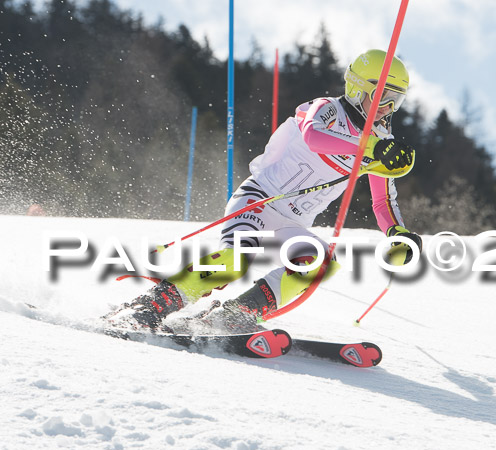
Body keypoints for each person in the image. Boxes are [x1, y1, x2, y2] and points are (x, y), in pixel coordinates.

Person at [106, 49, 422, 332]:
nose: (388, 107)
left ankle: (236, 314)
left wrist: (398, 232)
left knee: (322, 264)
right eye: (383, 96)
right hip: (259, 200)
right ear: (358, 88)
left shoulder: (382, 141)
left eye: (397, 100)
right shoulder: (327, 109)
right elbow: (313, 136)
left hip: (292, 224)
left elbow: (383, 200)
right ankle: (150, 306)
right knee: (234, 261)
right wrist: (370, 147)